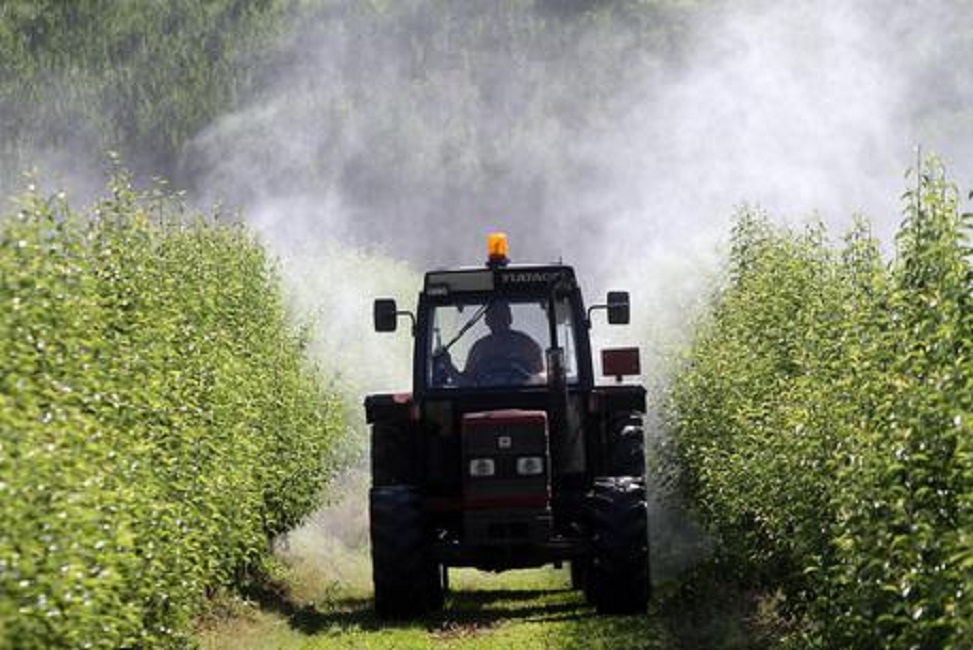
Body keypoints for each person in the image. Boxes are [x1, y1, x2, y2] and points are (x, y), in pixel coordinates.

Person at [435, 300, 544, 386]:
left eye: (502, 314)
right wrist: (448, 365)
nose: (498, 319)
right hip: (482, 403)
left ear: (510, 317)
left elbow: (540, 379)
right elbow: (466, 383)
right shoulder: (479, 349)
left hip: (524, 401)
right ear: (486, 321)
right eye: (494, 315)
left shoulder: (526, 345)